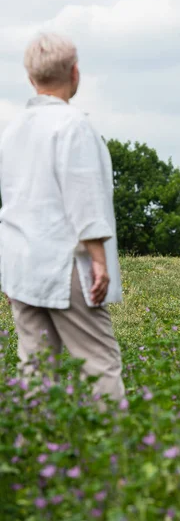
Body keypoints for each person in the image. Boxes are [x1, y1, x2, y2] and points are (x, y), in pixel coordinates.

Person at [0, 32, 125, 401]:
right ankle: (112, 452)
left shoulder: (12, 130)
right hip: (65, 262)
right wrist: (98, 261)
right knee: (99, 363)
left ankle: (40, 452)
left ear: (30, 77)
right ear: (75, 73)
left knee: (36, 368)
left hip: (19, 261)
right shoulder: (74, 126)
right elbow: (83, 195)